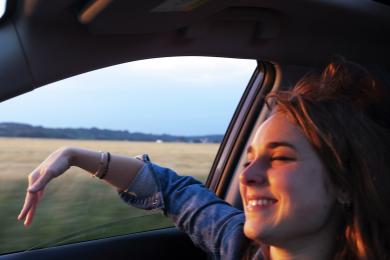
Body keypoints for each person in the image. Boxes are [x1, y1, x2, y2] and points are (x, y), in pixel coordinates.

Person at [17, 58, 390, 260]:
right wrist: (73, 155)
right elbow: (171, 188)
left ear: (344, 183)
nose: (248, 176)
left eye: (279, 159)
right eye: (248, 159)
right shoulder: (239, 246)